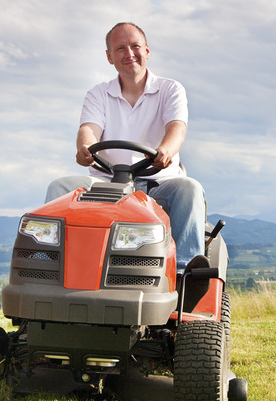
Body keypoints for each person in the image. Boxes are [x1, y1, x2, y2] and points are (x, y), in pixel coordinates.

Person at [45, 22, 205, 273]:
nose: (129, 54)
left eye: (135, 46)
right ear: (109, 57)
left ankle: (185, 273)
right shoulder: (98, 94)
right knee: (60, 187)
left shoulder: (170, 89)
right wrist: (85, 146)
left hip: (157, 183)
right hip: (106, 184)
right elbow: (88, 129)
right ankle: (51, 268)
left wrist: (166, 150)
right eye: (120, 48)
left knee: (190, 188)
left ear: (147, 50)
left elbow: (177, 128)